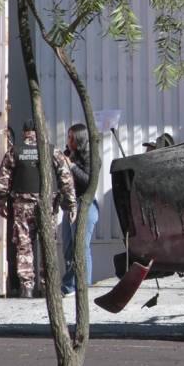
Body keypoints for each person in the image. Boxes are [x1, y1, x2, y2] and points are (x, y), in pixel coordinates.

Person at [0, 119, 77, 298]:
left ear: (24, 133)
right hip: (47, 206)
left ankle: (27, 288)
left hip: (22, 207)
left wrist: (0, 203)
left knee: (24, 246)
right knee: (47, 245)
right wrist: (71, 204)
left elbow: (2, 180)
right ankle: (48, 287)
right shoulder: (51, 151)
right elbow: (66, 179)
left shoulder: (15, 151)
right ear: (40, 131)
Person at [61, 123, 101, 297]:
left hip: (85, 205)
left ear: (80, 139)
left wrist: (71, 166)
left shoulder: (92, 157)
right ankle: (70, 285)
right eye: (68, 136)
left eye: (72, 137)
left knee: (81, 247)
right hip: (70, 205)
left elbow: (88, 181)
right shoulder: (70, 155)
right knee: (68, 247)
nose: (69, 140)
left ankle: (82, 286)